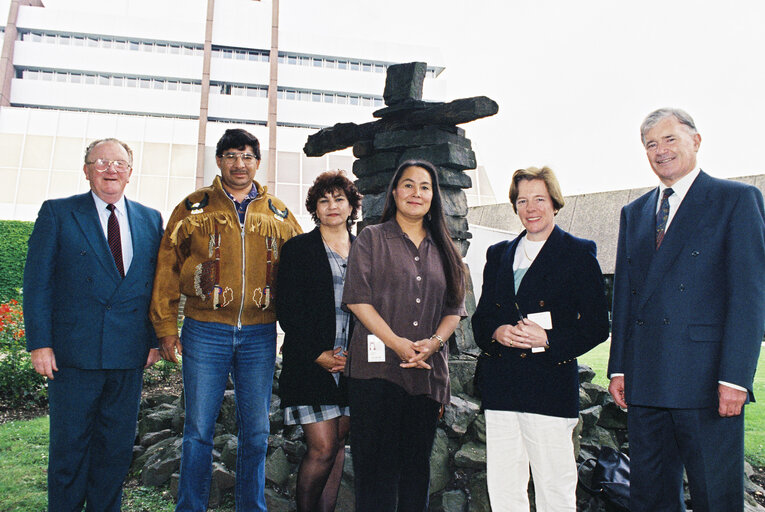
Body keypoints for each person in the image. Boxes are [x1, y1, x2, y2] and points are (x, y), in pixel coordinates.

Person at [608, 108, 765, 512]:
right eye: (651, 144)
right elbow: (625, 296)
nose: (660, 151)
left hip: (707, 381)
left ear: (696, 140)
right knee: (650, 496)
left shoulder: (736, 200)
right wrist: (620, 368)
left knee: (715, 496)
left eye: (669, 139)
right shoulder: (635, 212)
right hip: (646, 381)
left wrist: (735, 377)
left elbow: (749, 298)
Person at [150, 128, 301, 511]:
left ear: (257, 163)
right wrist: (167, 328)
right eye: (232, 155)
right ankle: (191, 507)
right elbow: (166, 269)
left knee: (257, 431)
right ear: (219, 160)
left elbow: (302, 274)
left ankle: (251, 507)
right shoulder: (193, 208)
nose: (240, 163)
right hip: (204, 330)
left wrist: (302, 333)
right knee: (198, 430)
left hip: (260, 334)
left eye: (248, 156)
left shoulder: (280, 214)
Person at [23, 138, 163, 512]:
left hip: (128, 356)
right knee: (69, 453)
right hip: (73, 356)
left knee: (115, 453)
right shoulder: (58, 213)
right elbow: (38, 283)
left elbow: (155, 285)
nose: (109, 169)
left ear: (130, 173)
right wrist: (40, 343)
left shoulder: (151, 219)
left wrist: (153, 340)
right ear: (86, 170)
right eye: (99, 162)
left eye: (118, 162)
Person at [471, 166, 610, 511]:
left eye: (539, 199)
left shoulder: (578, 252)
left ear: (555, 203)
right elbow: (482, 317)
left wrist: (548, 338)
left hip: (548, 385)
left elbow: (596, 326)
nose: (530, 208)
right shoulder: (498, 254)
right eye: (522, 200)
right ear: (514, 206)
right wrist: (496, 332)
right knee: (503, 486)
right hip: (502, 385)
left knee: (554, 487)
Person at [342, 159, 467, 512]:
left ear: (434, 196)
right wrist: (398, 344)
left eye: (425, 187)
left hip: (425, 376)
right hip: (375, 373)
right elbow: (356, 299)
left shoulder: (445, 246)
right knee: (375, 472)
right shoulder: (371, 238)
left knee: (415, 470)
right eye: (408, 184)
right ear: (395, 192)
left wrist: (434, 344)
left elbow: (453, 310)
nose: (416, 192)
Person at [277, 170, 362, 512]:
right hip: (311, 365)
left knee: (339, 443)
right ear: (315, 208)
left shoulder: (365, 249)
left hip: (355, 368)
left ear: (351, 205)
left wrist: (356, 357)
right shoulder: (299, 249)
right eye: (324, 200)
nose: (332, 206)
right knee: (323, 447)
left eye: (339, 199)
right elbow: (287, 309)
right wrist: (318, 354)